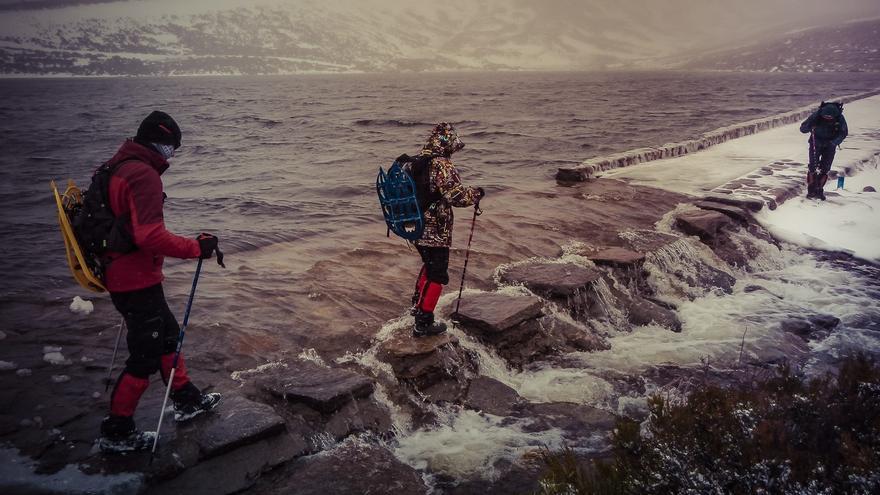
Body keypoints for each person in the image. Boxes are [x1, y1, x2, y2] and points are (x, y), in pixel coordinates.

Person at [98, 111, 223, 453]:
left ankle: (186, 399)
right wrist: (196, 248)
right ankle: (117, 431)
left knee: (167, 336)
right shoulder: (144, 175)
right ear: (160, 142)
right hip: (133, 279)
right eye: (172, 148)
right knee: (144, 357)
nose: (173, 156)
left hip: (125, 274)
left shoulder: (119, 165)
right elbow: (150, 236)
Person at [406, 122, 484, 337]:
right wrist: (476, 194)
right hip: (435, 229)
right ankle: (424, 323)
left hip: (414, 226)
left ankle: (417, 307)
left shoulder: (415, 162)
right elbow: (456, 197)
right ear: (448, 145)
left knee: (429, 266)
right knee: (438, 274)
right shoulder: (442, 165)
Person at [799, 101, 848, 200]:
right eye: (825, 117)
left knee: (825, 168)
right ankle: (811, 189)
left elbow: (843, 133)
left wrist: (834, 142)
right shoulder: (816, 115)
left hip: (830, 144)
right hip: (815, 142)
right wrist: (810, 126)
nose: (828, 119)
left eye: (830, 118)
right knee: (813, 166)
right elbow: (803, 128)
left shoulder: (839, 118)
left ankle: (819, 189)